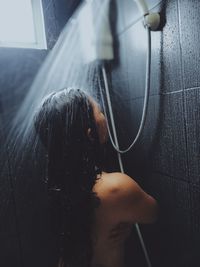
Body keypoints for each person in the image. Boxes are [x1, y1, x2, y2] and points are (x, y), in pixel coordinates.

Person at [34, 88, 158, 267]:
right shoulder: (116, 188)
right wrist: (127, 219)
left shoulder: (59, 188)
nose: (103, 115)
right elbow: (152, 212)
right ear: (90, 133)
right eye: (99, 111)